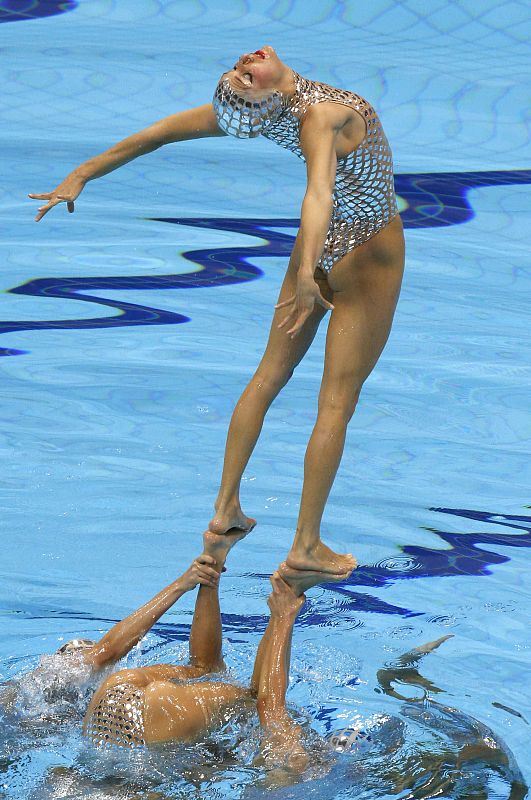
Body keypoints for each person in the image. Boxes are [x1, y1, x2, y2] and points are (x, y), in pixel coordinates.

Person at [29, 45, 405, 574]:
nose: (244, 65)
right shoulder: (320, 116)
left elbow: (157, 133)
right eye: (244, 76)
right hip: (369, 252)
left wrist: (84, 173)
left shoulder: (276, 114)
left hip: (315, 249)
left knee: (269, 375)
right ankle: (306, 547)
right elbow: (318, 194)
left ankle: (225, 510)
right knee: (336, 404)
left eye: (241, 69)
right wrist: (302, 277)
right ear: (266, 95)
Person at [82, 530, 351, 748]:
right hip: (108, 701)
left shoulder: (298, 760)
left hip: (152, 718)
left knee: (249, 699)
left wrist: (284, 617)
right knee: (214, 676)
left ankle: (288, 589)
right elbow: (105, 653)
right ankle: (215, 562)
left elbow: (268, 708)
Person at [0, 553, 221, 714]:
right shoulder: (49, 678)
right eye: (81, 652)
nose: (87, 656)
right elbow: (108, 651)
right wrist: (182, 584)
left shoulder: (75, 702)